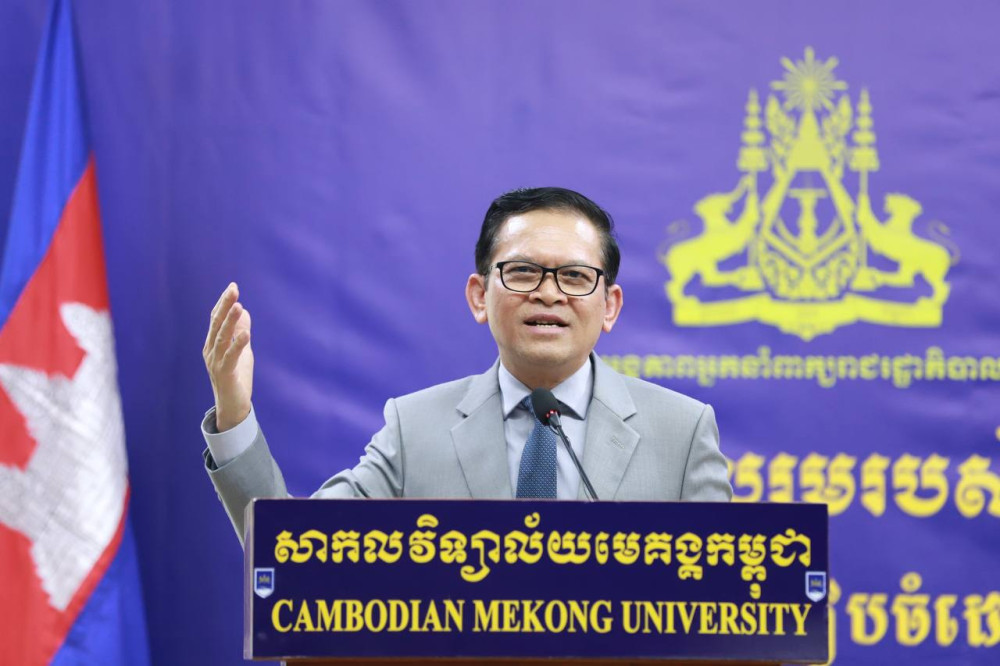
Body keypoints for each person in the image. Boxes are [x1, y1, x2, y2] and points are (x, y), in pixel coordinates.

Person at [202, 187, 732, 540]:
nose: (549, 294)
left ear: (609, 306)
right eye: (522, 272)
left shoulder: (681, 432)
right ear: (479, 296)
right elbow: (295, 551)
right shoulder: (415, 429)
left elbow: (723, 604)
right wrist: (234, 412)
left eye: (574, 276)